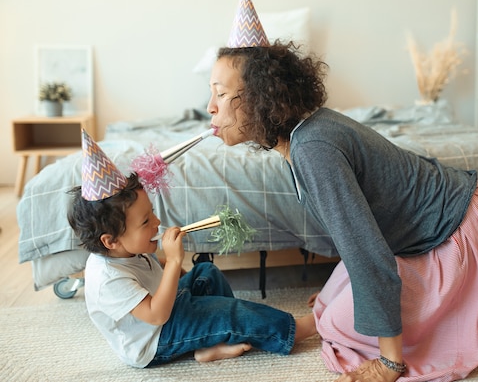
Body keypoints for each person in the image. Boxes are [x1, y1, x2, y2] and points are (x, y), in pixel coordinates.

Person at [205, 0, 478, 382]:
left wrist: (389, 362)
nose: (210, 107)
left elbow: (368, 255)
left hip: (462, 229)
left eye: (222, 94)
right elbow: (363, 235)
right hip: (427, 225)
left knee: (346, 326)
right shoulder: (301, 138)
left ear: (261, 99)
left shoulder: (312, 148)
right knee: (334, 311)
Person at [67, 130, 316, 368]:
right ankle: (295, 330)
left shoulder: (125, 247)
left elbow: (153, 270)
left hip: (169, 308)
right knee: (225, 313)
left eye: (151, 213)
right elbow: (157, 316)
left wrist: (177, 273)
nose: (156, 222)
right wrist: (174, 262)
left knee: (206, 272)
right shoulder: (107, 279)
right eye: (145, 222)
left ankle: (212, 342)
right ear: (110, 241)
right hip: (155, 340)